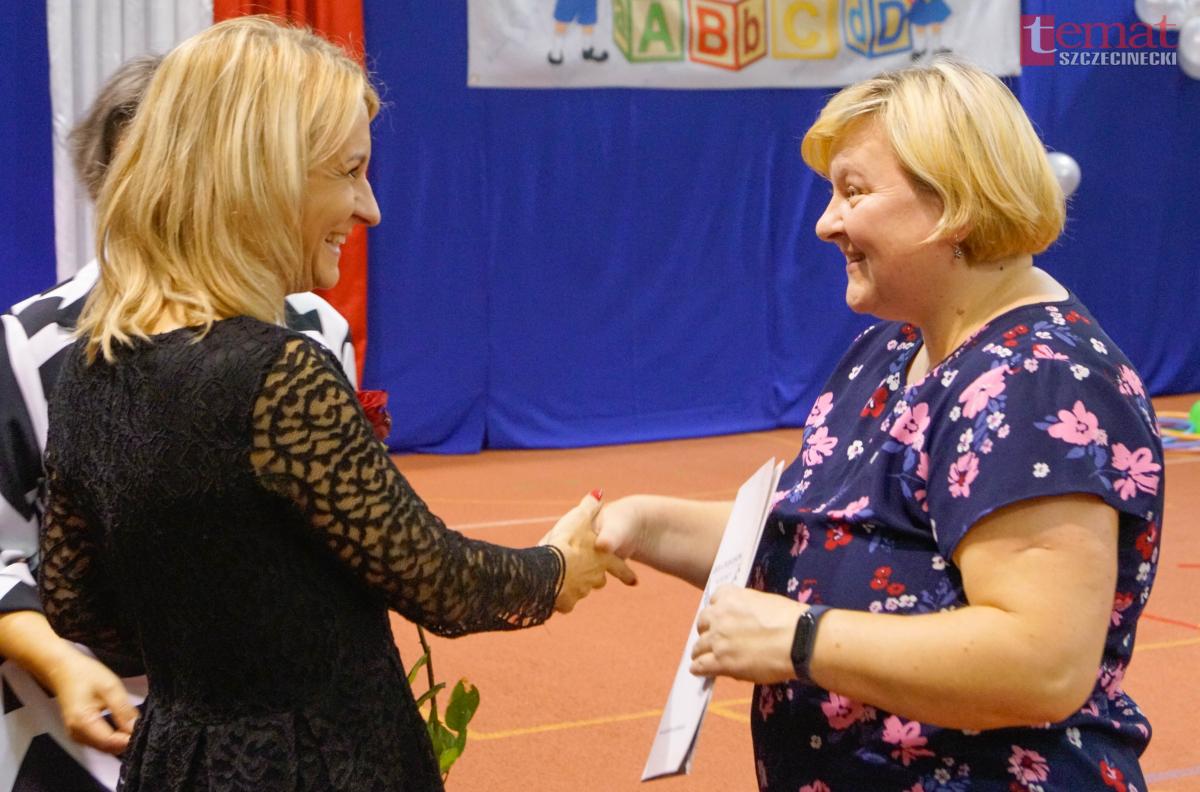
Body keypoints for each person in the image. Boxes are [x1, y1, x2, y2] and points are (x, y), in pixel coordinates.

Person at [38, 17, 632, 791]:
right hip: (317, 762)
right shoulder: (276, 374)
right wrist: (558, 570)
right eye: (349, 172)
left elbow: (76, 605)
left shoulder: (89, 371)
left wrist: (215, 645)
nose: (370, 208)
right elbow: (436, 579)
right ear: (261, 177)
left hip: (176, 761)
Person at [596, 59, 1162, 791]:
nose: (826, 222)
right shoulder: (894, 348)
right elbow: (820, 544)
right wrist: (641, 525)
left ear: (955, 202)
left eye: (854, 192)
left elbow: (1041, 662)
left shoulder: (1038, 381)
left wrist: (802, 638)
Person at [0, 54, 356, 791]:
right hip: (70, 746)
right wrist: (61, 663)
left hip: (275, 739)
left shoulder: (314, 329)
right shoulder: (27, 344)